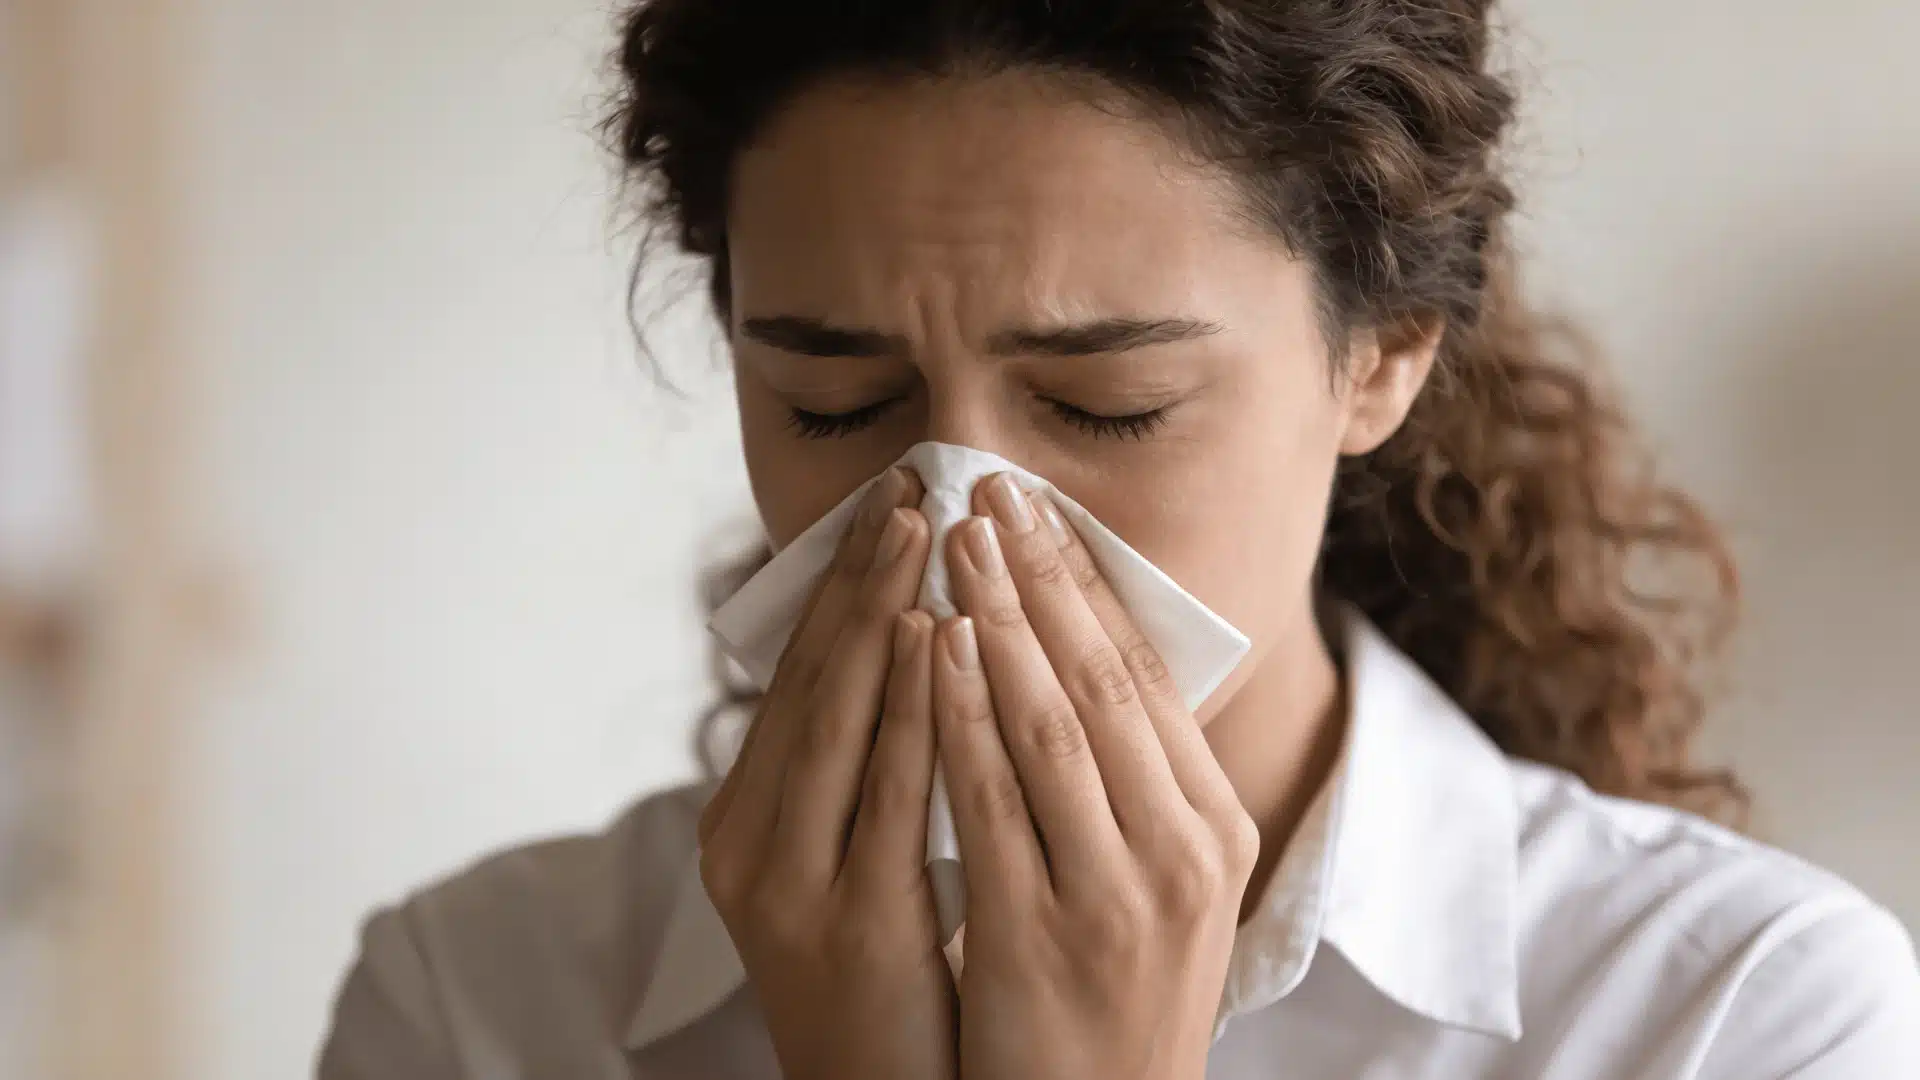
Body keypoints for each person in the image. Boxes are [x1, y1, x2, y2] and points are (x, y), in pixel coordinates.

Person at [317, 2, 1920, 1077]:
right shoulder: (482, 1003)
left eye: (1108, 405)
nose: (951, 522)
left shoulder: (1731, 1015)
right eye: (833, 400)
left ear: (1383, 357)